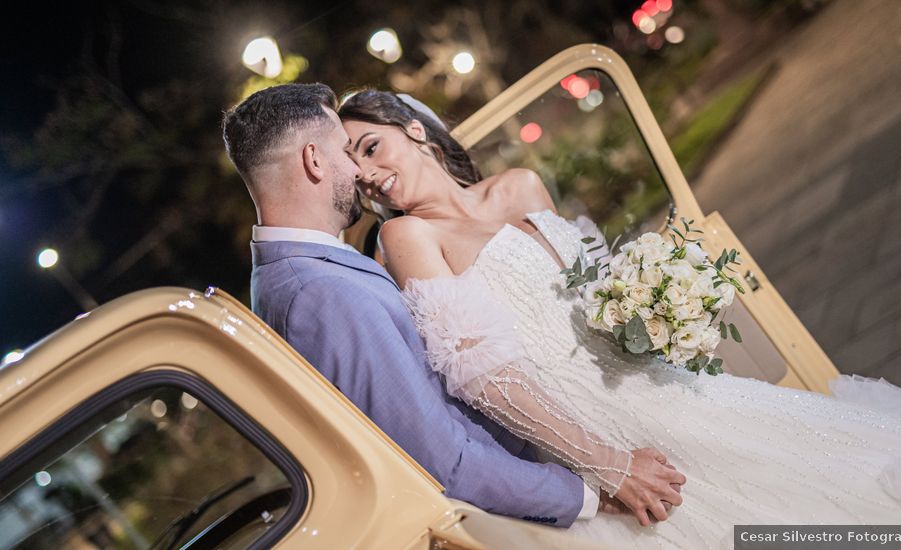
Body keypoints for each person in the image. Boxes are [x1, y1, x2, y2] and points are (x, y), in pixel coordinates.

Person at [338, 89, 901, 548]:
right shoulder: (405, 236)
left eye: (369, 147)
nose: (365, 173)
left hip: (665, 384)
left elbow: (598, 283)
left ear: (413, 128)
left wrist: (659, 308)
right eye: (352, 168)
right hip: (606, 429)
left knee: (836, 475)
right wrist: (606, 463)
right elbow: (478, 375)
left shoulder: (519, 185)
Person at [220, 83, 684, 533]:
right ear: (314, 160)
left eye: (368, 148)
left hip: (610, 411)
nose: (360, 172)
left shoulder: (310, 274)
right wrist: (589, 490)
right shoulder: (318, 292)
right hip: (557, 463)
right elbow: (443, 456)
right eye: (347, 151)